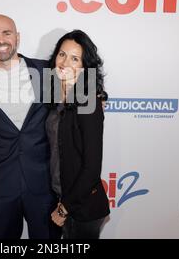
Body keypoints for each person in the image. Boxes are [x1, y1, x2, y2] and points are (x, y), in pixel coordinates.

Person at [0, 14, 61, 239]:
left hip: (43, 187)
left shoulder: (45, 71)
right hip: (1, 188)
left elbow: (80, 86)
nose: (1, 40)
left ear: (17, 37)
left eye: (6, 33)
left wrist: (99, 94)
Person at [46, 30, 110, 239]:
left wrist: (65, 208)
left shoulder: (88, 102)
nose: (65, 63)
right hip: (61, 196)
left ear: (85, 67)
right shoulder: (54, 96)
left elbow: (91, 169)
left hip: (81, 208)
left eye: (75, 58)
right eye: (61, 54)